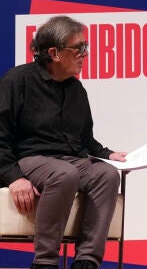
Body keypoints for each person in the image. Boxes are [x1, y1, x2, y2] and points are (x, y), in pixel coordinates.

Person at [0, 16, 127, 269]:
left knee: (108, 174)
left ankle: (87, 261)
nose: (84, 54)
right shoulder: (17, 81)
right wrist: (13, 177)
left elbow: (85, 139)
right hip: (30, 159)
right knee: (65, 174)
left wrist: (108, 154)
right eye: (78, 48)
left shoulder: (77, 90)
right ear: (54, 53)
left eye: (85, 47)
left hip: (70, 160)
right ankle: (45, 262)